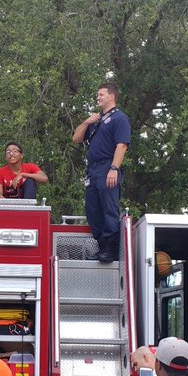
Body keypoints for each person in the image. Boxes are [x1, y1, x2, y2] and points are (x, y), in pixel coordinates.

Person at [71, 82, 130, 263]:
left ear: (112, 96)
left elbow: (122, 145)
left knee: (109, 209)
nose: (98, 97)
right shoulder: (96, 120)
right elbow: (76, 138)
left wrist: (114, 168)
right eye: (97, 95)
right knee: (93, 210)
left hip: (107, 167)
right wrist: (86, 122)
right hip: (93, 169)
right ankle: (102, 247)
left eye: (101, 94)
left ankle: (111, 250)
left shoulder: (119, 118)